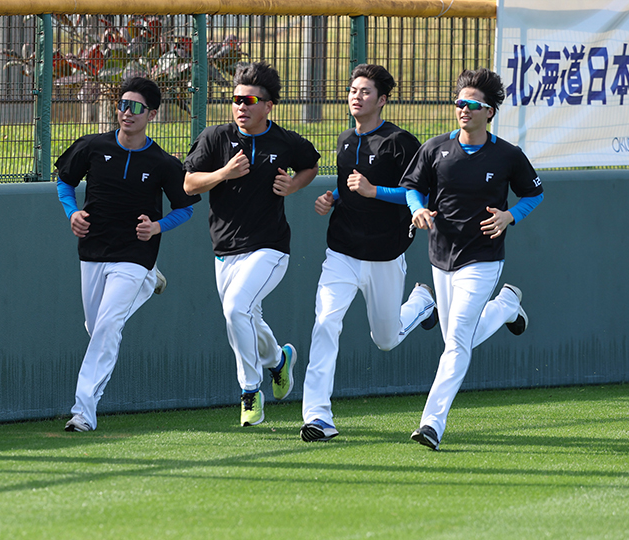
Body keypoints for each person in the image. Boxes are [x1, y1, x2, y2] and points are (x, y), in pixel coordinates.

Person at [400, 68, 544, 450]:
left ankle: (432, 424)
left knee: (458, 340)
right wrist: (417, 208)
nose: (463, 109)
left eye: (473, 105)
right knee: (456, 340)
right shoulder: (436, 148)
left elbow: (534, 194)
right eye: (459, 102)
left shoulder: (507, 154)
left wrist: (510, 215)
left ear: (489, 112)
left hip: (483, 258)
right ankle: (506, 307)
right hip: (440, 256)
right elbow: (413, 187)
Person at [300, 64, 438, 442]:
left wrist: (373, 191)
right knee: (325, 323)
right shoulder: (345, 139)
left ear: (382, 100)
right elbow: (350, 185)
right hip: (342, 252)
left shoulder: (400, 142)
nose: (356, 97)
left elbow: (419, 194)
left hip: (385, 255)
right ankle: (318, 416)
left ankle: (422, 303)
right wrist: (332, 198)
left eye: (365, 91)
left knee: (386, 339)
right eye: (352, 90)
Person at [56, 76, 201, 432]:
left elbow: (185, 208)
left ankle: (83, 411)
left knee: (107, 327)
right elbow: (64, 181)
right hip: (93, 250)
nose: (127, 112)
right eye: (123, 104)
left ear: (152, 114)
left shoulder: (163, 162)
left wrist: (157, 227)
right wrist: (72, 213)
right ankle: (150, 281)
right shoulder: (92, 146)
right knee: (96, 327)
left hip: (136, 252)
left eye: (136, 107)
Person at [183, 61, 320, 427]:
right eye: (236, 99)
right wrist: (224, 173)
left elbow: (310, 165)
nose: (241, 106)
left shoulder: (285, 141)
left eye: (250, 100)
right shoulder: (215, 137)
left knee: (235, 310)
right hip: (225, 251)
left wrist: (293, 185)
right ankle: (278, 360)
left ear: (268, 106)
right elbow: (189, 184)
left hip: (270, 248)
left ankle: (249, 391)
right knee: (247, 316)